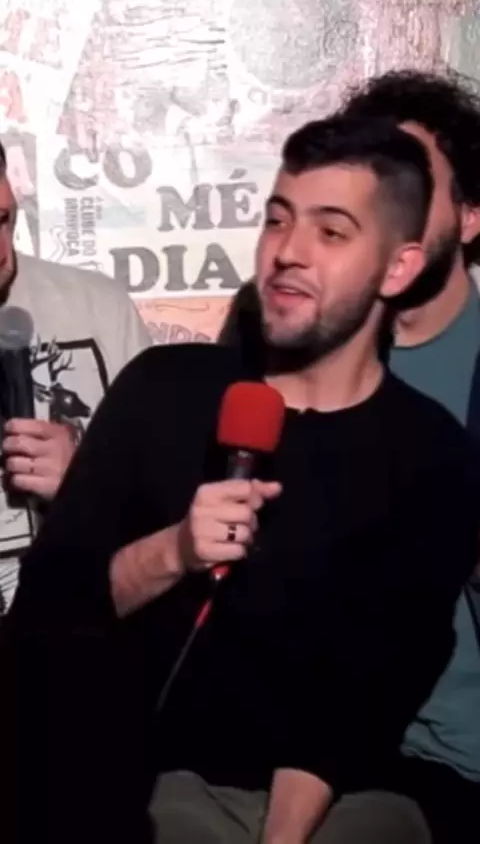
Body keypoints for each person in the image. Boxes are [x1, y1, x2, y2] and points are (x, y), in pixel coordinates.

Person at [5, 116, 478, 844]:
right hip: (130, 790)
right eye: (278, 219)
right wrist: (173, 551)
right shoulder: (163, 388)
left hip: (332, 802)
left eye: (332, 231)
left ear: (398, 268)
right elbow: (45, 616)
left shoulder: (429, 452)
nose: (288, 251)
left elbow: (363, 693)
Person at [219, 70, 480, 844]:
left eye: (410, 172)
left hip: (452, 766)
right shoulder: (279, 336)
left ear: (469, 216)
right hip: (282, 753)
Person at [0, 139, 152, 613]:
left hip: (85, 624)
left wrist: (84, 481)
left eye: (1, 220)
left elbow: (167, 490)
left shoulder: (98, 306)